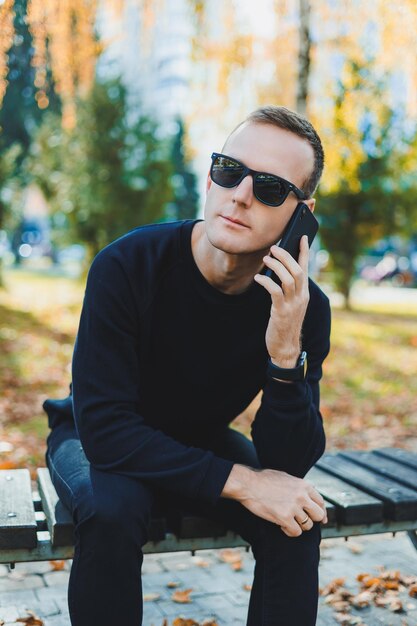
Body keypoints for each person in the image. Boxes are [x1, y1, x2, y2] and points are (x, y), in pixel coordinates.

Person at [44, 104, 331, 626]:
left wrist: (286, 354)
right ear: (212, 175)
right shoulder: (126, 265)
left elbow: (289, 462)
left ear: (301, 215)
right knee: (113, 510)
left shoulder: (300, 307)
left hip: (197, 439)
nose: (240, 195)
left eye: (269, 188)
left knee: (297, 519)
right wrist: (243, 482)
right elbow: (107, 431)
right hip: (92, 434)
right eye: (229, 171)